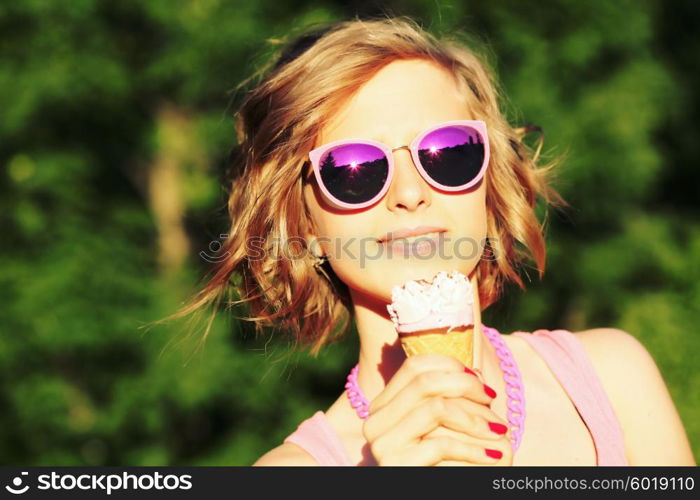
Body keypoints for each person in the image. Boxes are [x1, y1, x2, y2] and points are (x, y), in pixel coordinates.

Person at [171, 16, 696, 466]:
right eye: (354, 169)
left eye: (448, 152)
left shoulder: (611, 377)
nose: (408, 193)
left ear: (491, 185)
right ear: (302, 223)